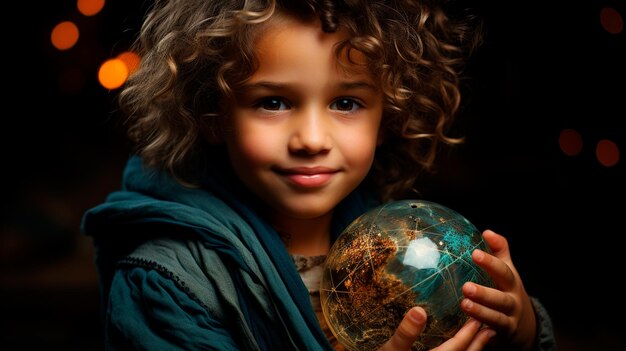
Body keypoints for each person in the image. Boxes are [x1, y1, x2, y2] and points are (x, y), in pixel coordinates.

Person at [82, 0, 556, 350]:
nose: (311, 138)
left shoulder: (405, 247)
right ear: (212, 115)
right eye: (273, 102)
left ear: (387, 116)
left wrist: (518, 331)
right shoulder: (168, 283)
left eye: (346, 103)